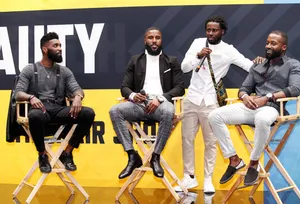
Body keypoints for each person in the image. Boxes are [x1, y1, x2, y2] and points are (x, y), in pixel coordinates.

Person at [208, 30, 300, 186]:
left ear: (283, 47)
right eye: (267, 42)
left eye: (274, 43)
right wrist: (246, 97)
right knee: (214, 116)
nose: (268, 46)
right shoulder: (258, 64)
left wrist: (267, 97)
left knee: (261, 118)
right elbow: (244, 88)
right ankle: (234, 159)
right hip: (251, 107)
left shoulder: (293, 64)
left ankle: (253, 163)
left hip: (272, 108)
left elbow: (294, 89)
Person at [175, 16, 253, 193]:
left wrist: (259, 63)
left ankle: (208, 179)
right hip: (192, 99)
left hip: (211, 101)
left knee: (210, 142)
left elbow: (248, 66)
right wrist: (198, 55)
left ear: (222, 32)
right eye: (208, 30)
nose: (210, 33)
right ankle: (189, 177)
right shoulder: (197, 43)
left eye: (214, 30)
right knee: (187, 139)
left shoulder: (228, 50)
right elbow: (184, 67)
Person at [109, 27, 185, 179]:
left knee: (169, 112)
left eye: (157, 38)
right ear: (145, 40)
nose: (154, 41)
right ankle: (132, 155)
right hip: (139, 104)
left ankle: (155, 157)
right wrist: (133, 95)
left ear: (161, 40)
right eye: (151, 37)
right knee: (115, 111)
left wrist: (161, 99)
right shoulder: (135, 60)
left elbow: (180, 88)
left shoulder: (172, 61)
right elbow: (124, 87)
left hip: (161, 104)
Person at [15, 32, 95, 173]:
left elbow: (77, 89)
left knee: (88, 113)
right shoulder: (29, 69)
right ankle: (42, 155)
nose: (60, 48)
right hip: (40, 110)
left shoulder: (64, 71)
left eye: (60, 45)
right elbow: (18, 93)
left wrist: (78, 97)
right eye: (55, 46)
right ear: (45, 49)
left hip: (58, 109)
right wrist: (31, 98)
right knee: (35, 116)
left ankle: (67, 152)